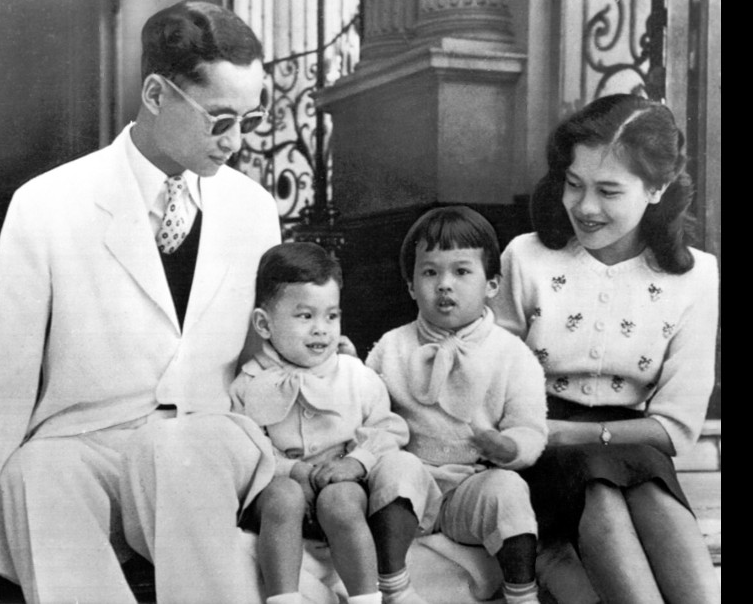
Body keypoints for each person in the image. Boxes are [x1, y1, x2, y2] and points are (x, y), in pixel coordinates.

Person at [0, 0, 286, 603]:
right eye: (219, 120)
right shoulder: (47, 203)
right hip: (89, 446)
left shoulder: (254, 209)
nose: (236, 142)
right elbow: (2, 372)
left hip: (206, 443)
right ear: (156, 95)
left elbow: (264, 352)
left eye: (252, 118)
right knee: (36, 474)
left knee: (176, 451)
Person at [490, 93, 721, 604]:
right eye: (574, 185)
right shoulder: (527, 258)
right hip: (537, 447)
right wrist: (543, 433)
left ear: (657, 189)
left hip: (631, 447)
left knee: (645, 488)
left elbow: (674, 427)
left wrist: (578, 433)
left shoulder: (696, 276)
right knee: (601, 488)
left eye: (609, 191)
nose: (585, 208)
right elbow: (493, 385)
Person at [231, 242, 441, 604]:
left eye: (331, 316)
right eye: (304, 316)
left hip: (338, 486)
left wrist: (355, 461)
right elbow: (246, 448)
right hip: (280, 490)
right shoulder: (250, 385)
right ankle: (284, 598)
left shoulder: (354, 376)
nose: (321, 330)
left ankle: (366, 598)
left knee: (341, 500)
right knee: (283, 497)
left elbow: (387, 429)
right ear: (264, 324)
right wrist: (291, 470)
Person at [366, 206, 548, 604]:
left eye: (462, 272)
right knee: (396, 467)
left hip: (471, 487)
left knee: (508, 488)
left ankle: (521, 593)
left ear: (492, 284)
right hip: (412, 493)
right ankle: (395, 587)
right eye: (430, 272)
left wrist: (510, 446)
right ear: (411, 286)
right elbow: (367, 416)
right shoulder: (391, 348)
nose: (444, 285)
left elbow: (531, 425)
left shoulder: (511, 354)